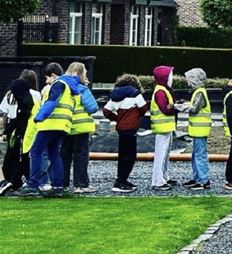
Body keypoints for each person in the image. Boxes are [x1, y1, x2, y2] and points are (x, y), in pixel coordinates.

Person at [18, 62, 83, 196]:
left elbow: (52, 101)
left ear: (53, 75)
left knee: (35, 152)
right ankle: (58, 186)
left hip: (50, 124)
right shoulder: (71, 87)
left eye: (47, 78)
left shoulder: (58, 84)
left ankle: (33, 185)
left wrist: (39, 116)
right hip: (63, 125)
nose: (46, 81)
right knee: (54, 154)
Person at [103, 73, 148, 193]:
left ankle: (122, 179)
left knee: (123, 155)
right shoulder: (135, 94)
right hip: (131, 128)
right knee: (130, 156)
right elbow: (144, 108)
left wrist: (117, 118)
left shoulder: (115, 95)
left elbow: (106, 111)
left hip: (121, 129)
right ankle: (121, 181)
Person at [61, 62, 99, 194]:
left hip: (65, 125)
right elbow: (93, 108)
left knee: (64, 155)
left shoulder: (61, 86)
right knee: (81, 155)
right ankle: (81, 184)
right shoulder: (82, 88)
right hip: (81, 126)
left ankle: (62, 183)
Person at [0, 73, 35, 195]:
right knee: (17, 156)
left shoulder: (15, 98)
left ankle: (11, 180)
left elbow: (9, 116)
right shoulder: (28, 98)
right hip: (23, 131)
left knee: (14, 156)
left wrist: (6, 131)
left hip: (18, 132)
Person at [181, 68, 211, 191]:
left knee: (199, 155)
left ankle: (203, 181)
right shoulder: (199, 92)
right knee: (196, 154)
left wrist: (179, 107)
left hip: (200, 130)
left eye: (189, 79)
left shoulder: (200, 92)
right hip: (198, 130)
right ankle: (197, 178)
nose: (188, 82)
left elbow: (194, 109)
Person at [150, 65, 178, 190]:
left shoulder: (162, 89)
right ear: (164, 78)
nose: (172, 78)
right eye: (170, 76)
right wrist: (177, 108)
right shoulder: (161, 92)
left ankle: (164, 177)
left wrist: (175, 106)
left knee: (165, 155)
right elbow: (165, 109)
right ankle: (158, 181)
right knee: (161, 155)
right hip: (162, 128)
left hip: (166, 127)